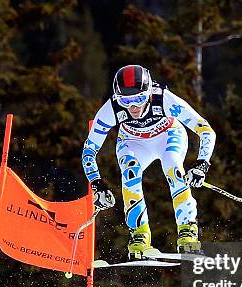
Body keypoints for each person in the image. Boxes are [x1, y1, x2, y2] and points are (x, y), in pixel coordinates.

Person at [81, 65, 216, 258]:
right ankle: (139, 236)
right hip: (133, 142)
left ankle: (188, 234)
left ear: (149, 92)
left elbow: (206, 130)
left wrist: (201, 164)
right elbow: (89, 150)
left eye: (139, 98)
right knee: (130, 173)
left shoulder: (164, 99)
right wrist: (97, 184)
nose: (133, 106)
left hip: (168, 135)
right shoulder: (110, 109)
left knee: (173, 166)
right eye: (125, 100)